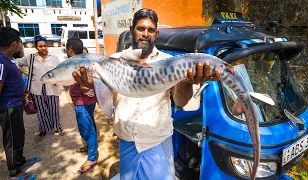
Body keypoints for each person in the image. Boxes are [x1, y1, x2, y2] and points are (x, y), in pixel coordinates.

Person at [73, 8, 220, 179]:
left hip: (157, 141)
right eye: (140, 28)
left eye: (150, 30)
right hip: (126, 140)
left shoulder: (169, 63)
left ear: (156, 34)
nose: (145, 34)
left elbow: (180, 101)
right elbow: (109, 101)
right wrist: (91, 86)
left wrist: (186, 83)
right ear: (131, 30)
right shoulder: (114, 61)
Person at [0, 27, 40, 180]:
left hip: (16, 105)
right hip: (8, 107)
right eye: (20, 43)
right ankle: (14, 173)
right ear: (14, 43)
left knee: (19, 135)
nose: (21, 45)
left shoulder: (10, 59)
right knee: (11, 139)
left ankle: (19, 160)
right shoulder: (2, 62)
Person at [17, 35, 64, 141]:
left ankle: (57, 127)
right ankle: (43, 129)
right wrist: (25, 73)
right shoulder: (31, 58)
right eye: (40, 46)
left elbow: (60, 71)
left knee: (54, 109)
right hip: (37, 89)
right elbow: (16, 62)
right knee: (42, 110)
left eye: (45, 46)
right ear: (36, 47)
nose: (44, 48)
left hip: (52, 88)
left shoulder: (54, 58)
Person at [66, 38, 98, 174]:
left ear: (70, 50)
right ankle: (89, 147)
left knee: (87, 129)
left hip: (83, 103)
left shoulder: (77, 65)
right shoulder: (82, 61)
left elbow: (86, 86)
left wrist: (83, 89)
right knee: (89, 126)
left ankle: (92, 157)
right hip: (84, 102)